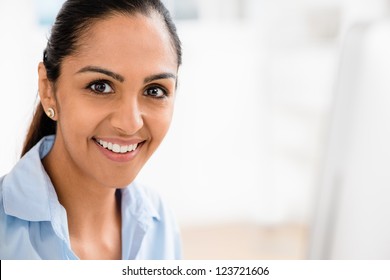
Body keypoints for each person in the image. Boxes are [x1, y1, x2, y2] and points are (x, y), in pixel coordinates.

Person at [0, 0, 182, 260]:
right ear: (48, 89)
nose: (130, 123)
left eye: (154, 90)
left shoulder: (160, 223)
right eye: (100, 86)